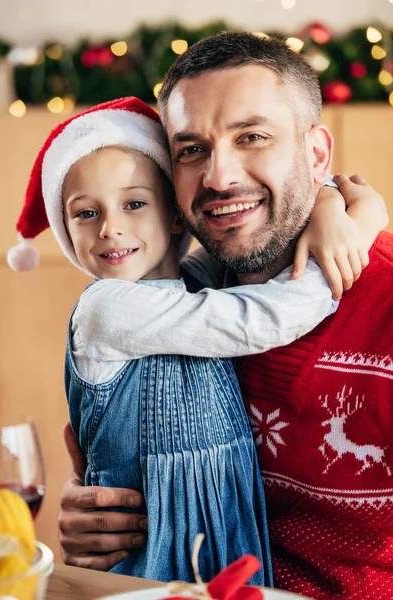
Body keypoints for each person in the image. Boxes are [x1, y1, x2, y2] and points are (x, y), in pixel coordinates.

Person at [58, 33, 390, 598]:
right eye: (191, 150)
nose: (218, 177)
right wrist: (93, 512)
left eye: (253, 137)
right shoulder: (182, 300)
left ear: (316, 155)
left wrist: (346, 207)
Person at [9, 96, 356, 584]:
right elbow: (261, 319)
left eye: (134, 203)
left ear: (175, 216)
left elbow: (267, 220)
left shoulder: (192, 280)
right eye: (85, 213)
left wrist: (330, 201)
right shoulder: (106, 309)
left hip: (226, 530)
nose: (111, 227)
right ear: (66, 231)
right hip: (150, 551)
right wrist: (348, 241)